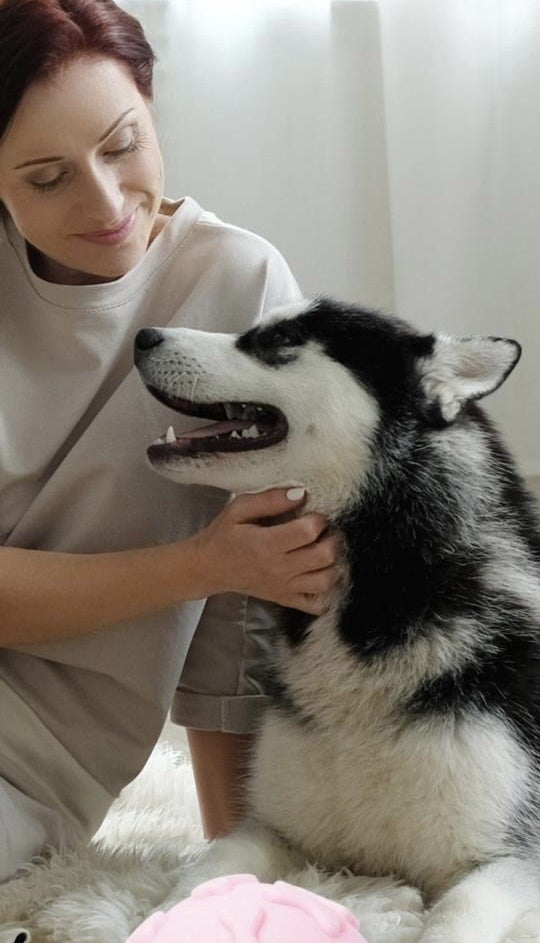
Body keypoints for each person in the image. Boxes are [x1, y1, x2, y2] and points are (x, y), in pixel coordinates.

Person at [0, 0, 338, 884]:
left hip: (24, 764)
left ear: (152, 107)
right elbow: (227, 568)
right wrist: (202, 563)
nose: (105, 202)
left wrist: (234, 859)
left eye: (122, 145)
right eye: (46, 178)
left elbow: (258, 588)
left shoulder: (237, 284)